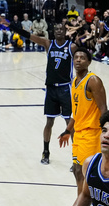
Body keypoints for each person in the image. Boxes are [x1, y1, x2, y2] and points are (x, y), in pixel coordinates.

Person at [58, 46, 108, 206]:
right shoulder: (74, 82)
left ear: (89, 62)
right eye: (76, 57)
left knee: (87, 174)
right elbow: (75, 113)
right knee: (77, 172)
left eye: (82, 57)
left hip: (92, 133)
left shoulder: (93, 80)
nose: (78, 60)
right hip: (78, 134)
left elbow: (104, 109)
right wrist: (67, 130)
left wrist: (106, 134)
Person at [24, 21, 74, 165]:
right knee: (49, 122)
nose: (58, 31)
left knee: (69, 123)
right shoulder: (48, 44)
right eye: (56, 28)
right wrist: (9, 25)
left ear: (65, 32)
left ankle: (76, 157)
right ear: (54, 31)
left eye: (61, 29)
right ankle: (46, 152)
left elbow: (85, 55)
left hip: (65, 88)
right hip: (51, 89)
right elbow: (29, 36)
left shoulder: (71, 47)